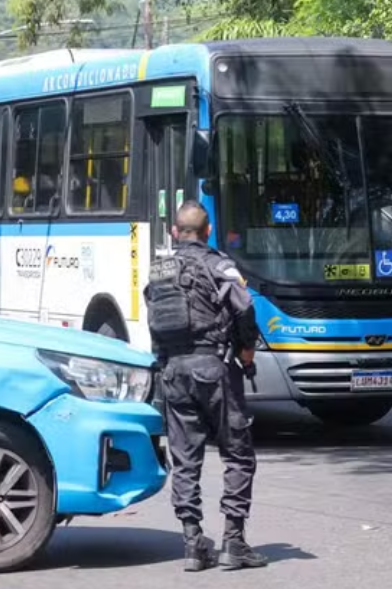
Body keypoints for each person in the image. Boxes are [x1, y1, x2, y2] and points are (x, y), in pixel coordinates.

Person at [143, 200, 267, 572]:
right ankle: (233, 540)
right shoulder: (219, 265)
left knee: (185, 458)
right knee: (238, 452)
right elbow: (244, 307)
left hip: (173, 371)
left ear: (174, 232)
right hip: (213, 368)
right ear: (208, 230)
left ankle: (193, 543)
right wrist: (246, 350)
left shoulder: (159, 271)